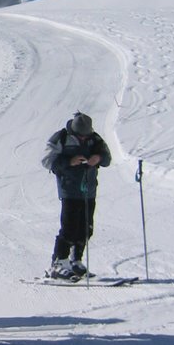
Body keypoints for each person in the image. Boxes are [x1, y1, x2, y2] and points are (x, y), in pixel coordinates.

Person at [41, 111, 112, 279]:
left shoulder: (95, 138)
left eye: (85, 135)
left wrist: (98, 157)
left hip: (89, 189)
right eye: (80, 135)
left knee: (86, 227)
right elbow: (47, 161)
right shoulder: (61, 137)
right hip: (69, 189)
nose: (83, 138)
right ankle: (59, 263)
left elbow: (107, 158)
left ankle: (76, 260)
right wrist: (69, 162)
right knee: (69, 227)